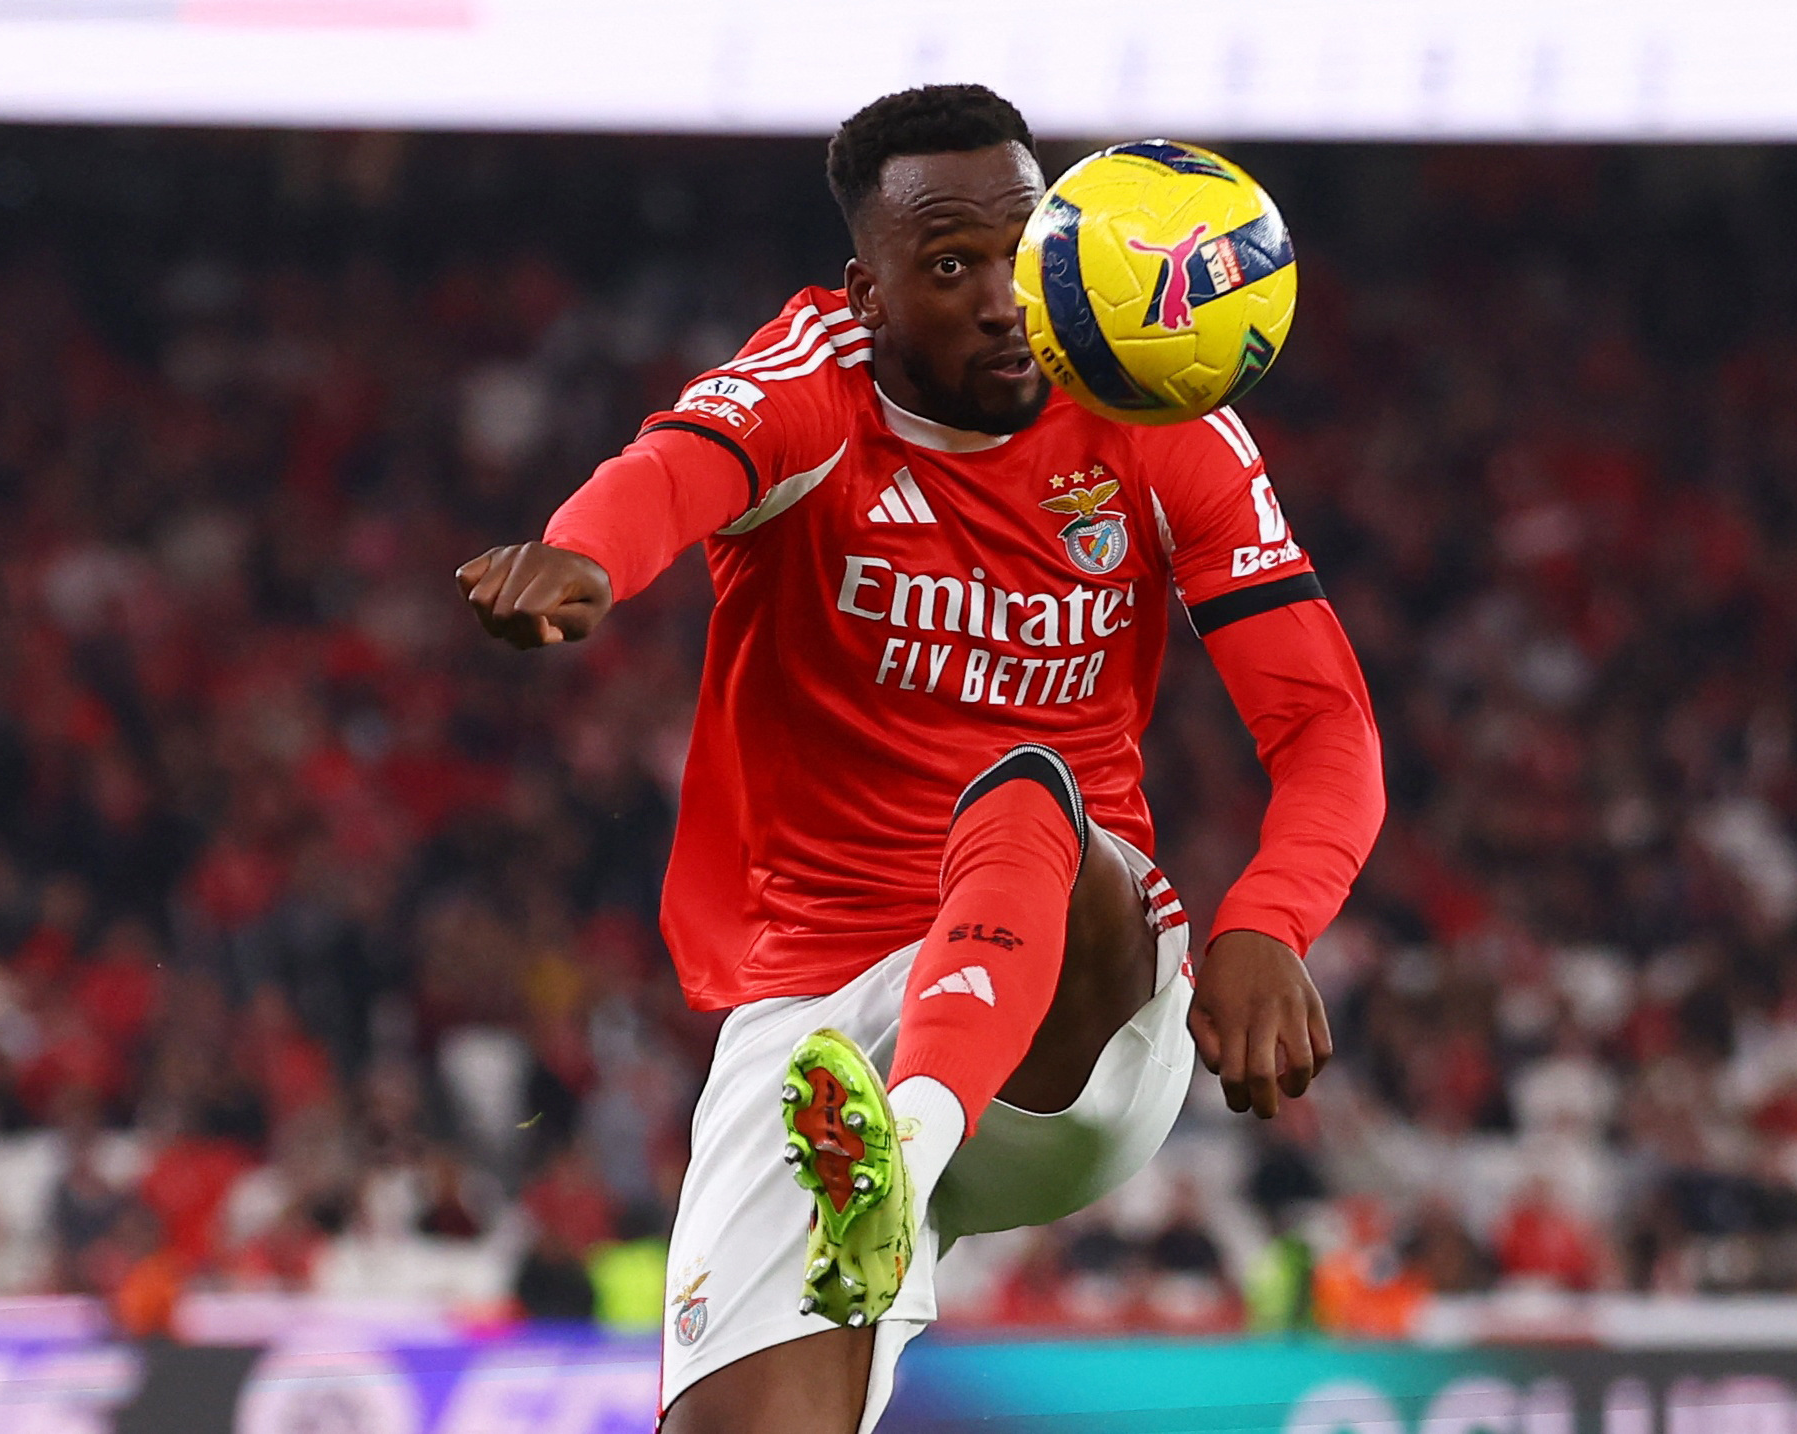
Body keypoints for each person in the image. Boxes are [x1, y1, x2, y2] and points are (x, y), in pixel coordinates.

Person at [457, 84, 1384, 1434]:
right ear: (868, 292)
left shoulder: (1153, 409)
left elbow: (1325, 724)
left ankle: (899, 1158)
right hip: (823, 1021)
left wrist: (1269, 920)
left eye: (1025, 248)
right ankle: (870, 1172)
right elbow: (677, 465)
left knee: (1023, 788)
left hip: (1076, 1003)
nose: (1007, 296)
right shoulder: (812, 378)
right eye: (952, 267)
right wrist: (583, 555)